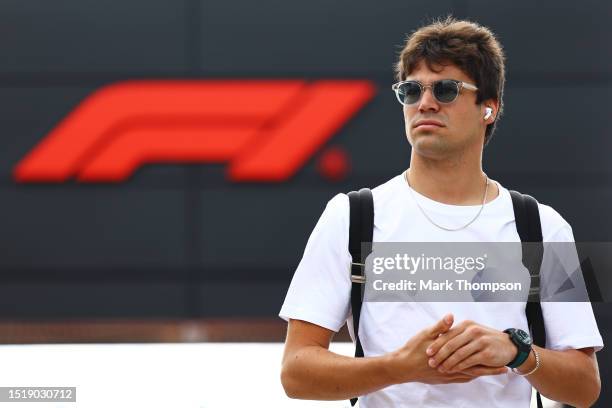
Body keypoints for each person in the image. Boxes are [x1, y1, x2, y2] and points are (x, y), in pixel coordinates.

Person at [279, 16, 603, 408]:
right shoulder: (350, 216)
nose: (425, 103)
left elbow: (585, 387)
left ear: (489, 108)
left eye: (446, 89)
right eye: (411, 90)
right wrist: (402, 366)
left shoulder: (544, 227)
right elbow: (296, 371)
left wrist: (517, 352)